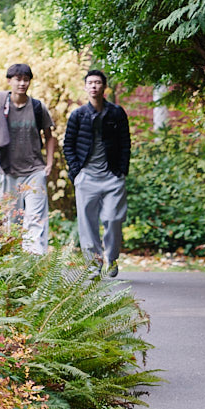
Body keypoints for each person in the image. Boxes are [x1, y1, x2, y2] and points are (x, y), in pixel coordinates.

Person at [0, 62, 57, 253]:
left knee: (35, 220)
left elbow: (49, 137)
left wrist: (49, 164)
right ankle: (15, 267)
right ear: (9, 81)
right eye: (18, 79)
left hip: (34, 171)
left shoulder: (38, 107)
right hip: (9, 172)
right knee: (10, 222)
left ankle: (35, 263)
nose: (22, 84)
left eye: (26, 80)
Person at [64, 68, 131, 276]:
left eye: (98, 82)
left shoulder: (116, 113)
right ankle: (93, 264)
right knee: (87, 223)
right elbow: (68, 145)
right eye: (90, 82)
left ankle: (112, 259)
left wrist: (121, 170)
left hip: (112, 176)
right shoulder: (78, 115)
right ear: (85, 87)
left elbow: (125, 143)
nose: (94, 86)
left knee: (112, 219)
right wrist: (77, 172)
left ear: (104, 87)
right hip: (86, 178)